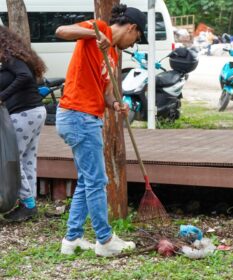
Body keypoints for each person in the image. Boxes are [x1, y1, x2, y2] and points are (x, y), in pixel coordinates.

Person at [54, 4, 146, 257]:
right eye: (136, 38)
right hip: (77, 116)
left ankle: (71, 240)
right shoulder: (98, 27)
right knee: (97, 181)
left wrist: (115, 103)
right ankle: (105, 241)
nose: (133, 42)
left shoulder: (113, 55)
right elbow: (61, 30)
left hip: (86, 117)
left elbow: (105, 92)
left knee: (87, 180)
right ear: (131, 27)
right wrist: (95, 34)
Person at [0, 26, 47, 222]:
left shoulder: (11, 57)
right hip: (33, 112)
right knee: (27, 158)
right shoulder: (12, 56)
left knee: (12, 160)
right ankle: (29, 204)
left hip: (23, 113)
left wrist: (2, 96)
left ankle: (27, 203)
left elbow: (24, 77)